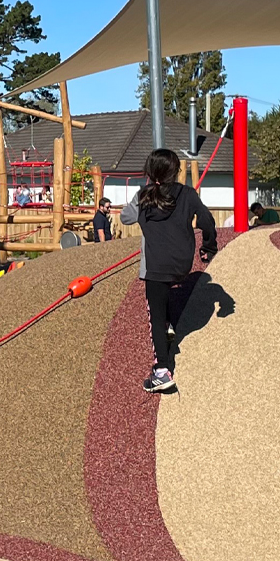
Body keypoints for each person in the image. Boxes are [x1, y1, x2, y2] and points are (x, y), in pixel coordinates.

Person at [120, 147, 217, 395]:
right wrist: (209, 245)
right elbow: (206, 220)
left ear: (150, 173)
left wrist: (144, 192)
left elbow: (125, 218)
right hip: (183, 264)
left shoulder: (143, 197)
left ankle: (162, 371)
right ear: (176, 171)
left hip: (156, 266)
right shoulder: (188, 194)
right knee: (171, 289)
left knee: (155, 313)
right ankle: (173, 324)